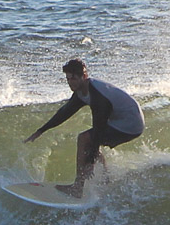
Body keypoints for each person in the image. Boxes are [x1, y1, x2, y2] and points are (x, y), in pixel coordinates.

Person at [24, 59, 144, 197]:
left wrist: (90, 160)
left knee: (85, 138)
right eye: (68, 79)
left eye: (74, 78)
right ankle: (106, 181)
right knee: (91, 143)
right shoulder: (82, 92)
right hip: (123, 119)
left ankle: (77, 187)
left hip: (130, 123)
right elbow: (64, 112)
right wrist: (41, 130)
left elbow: (98, 129)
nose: (70, 82)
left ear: (84, 76)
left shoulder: (98, 96)